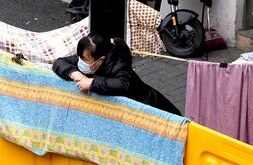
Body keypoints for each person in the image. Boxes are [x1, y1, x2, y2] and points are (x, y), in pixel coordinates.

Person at [52, 34, 181, 115]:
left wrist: (91, 83)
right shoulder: (88, 57)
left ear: (101, 60)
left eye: (84, 59)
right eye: (80, 57)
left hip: (154, 108)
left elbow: (122, 84)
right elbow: (59, 63)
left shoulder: (119, 63)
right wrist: (77, 75)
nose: (80, 61)